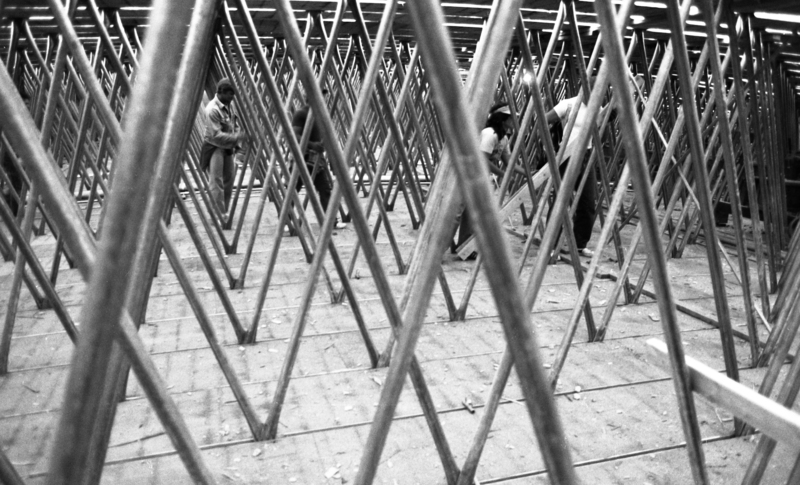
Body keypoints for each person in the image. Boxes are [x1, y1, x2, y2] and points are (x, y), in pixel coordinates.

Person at [454, 102, 518, 256]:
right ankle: (437, 250)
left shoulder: (503, 137)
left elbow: (509, 161)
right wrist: (503, 174)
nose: (515, 121)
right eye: (512, 118)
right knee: (455, 214)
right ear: (503, 119)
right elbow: (483, 160)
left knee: (470, 213)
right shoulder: (490, 134)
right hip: (467, 175)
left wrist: (528, 173)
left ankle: (463, 247)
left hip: (478, 178)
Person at [292, 89, 346, 229]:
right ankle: (287, 219)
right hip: (302, 158)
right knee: (293, 190)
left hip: (317, 160)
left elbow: (324, 138)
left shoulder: (321, 114)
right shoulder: (301, 114)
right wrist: (312, 145)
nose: (323, 99)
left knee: (325, 189)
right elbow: (295, 136)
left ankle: (330, 221)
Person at [200, 78, 245, 220]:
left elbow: (234, 123)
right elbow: (216, 135)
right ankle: (217, 215)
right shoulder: (212, 110)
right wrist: (237, 138)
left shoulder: (229, 104)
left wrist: (237, 143)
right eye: (230, 94)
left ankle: (224, 211)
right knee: (216, 181)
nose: (233, 97)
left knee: (229, 179)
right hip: (214, 148)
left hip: (227, 147)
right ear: (221, 93)